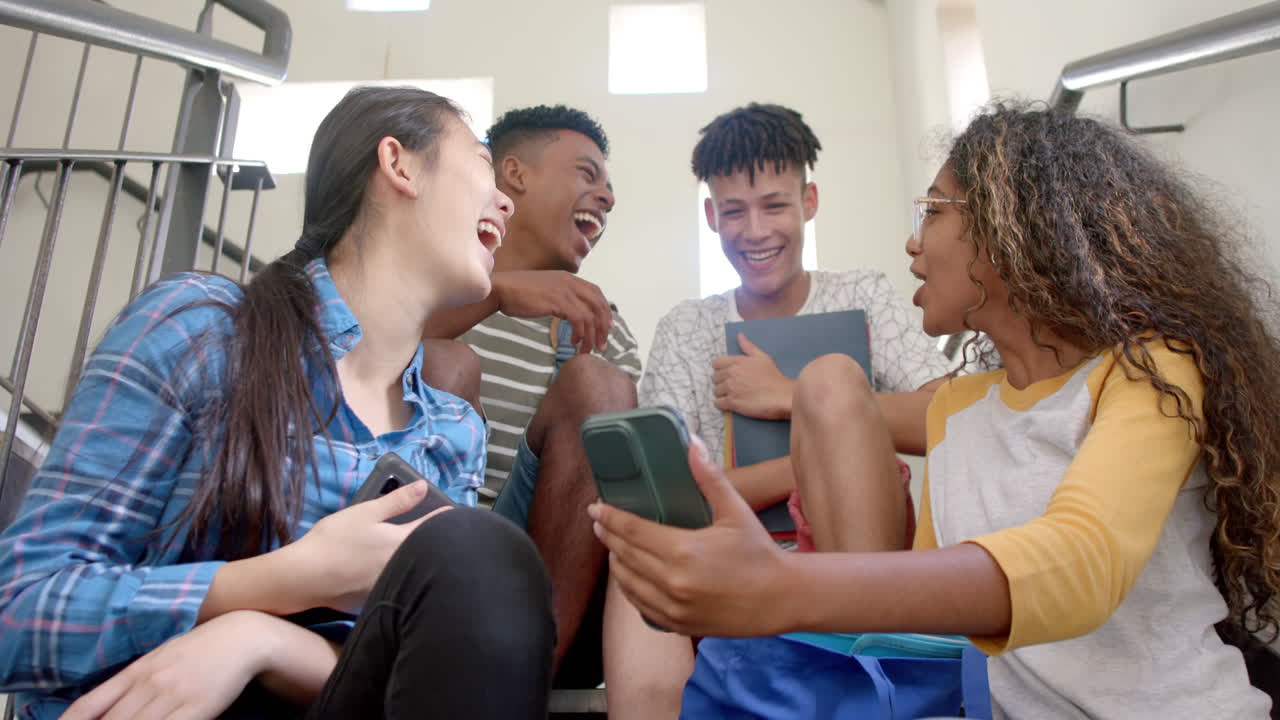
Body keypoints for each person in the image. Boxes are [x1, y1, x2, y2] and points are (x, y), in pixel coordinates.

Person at [593, 102, 1278, 718]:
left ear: (1017, 232)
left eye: (935, 211)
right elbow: (838, 403)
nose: (913, 243)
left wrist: (785, 586)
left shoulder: (1151, 369)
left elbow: (1082, 563)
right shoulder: (961, 404)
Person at [0, 86, 555, 719]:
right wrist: (281, 581)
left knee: (487, 554)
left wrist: (260, 640)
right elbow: (17, 607)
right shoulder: (202, 331)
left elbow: (418, 677)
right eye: (484, 162)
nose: (507, 201)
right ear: (398, 165)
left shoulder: (453, 434)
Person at [604, 102, 952, 717]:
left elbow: (946, 421)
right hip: (731, 557)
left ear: (809, 201)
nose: (756, 230)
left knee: (836, 384)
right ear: (711, 215)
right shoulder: (688, 328)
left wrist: (789, 395)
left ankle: (862, 678)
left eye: (775, 205)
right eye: (734, 211)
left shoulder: (861, 294)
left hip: (858, 559)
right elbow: (676, 494)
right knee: (634, 539)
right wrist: (822, 454)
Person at [423, 105, 640, 679]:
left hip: (551, 574)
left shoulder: (600, 322)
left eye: (609, 186)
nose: (607, 197)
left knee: (598, 383)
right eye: (587, 174)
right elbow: (359, 357)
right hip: (425, 545)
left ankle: (517, 679)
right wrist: (495, 293)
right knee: (443, 359)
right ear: (514, 174)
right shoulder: (430, 286)